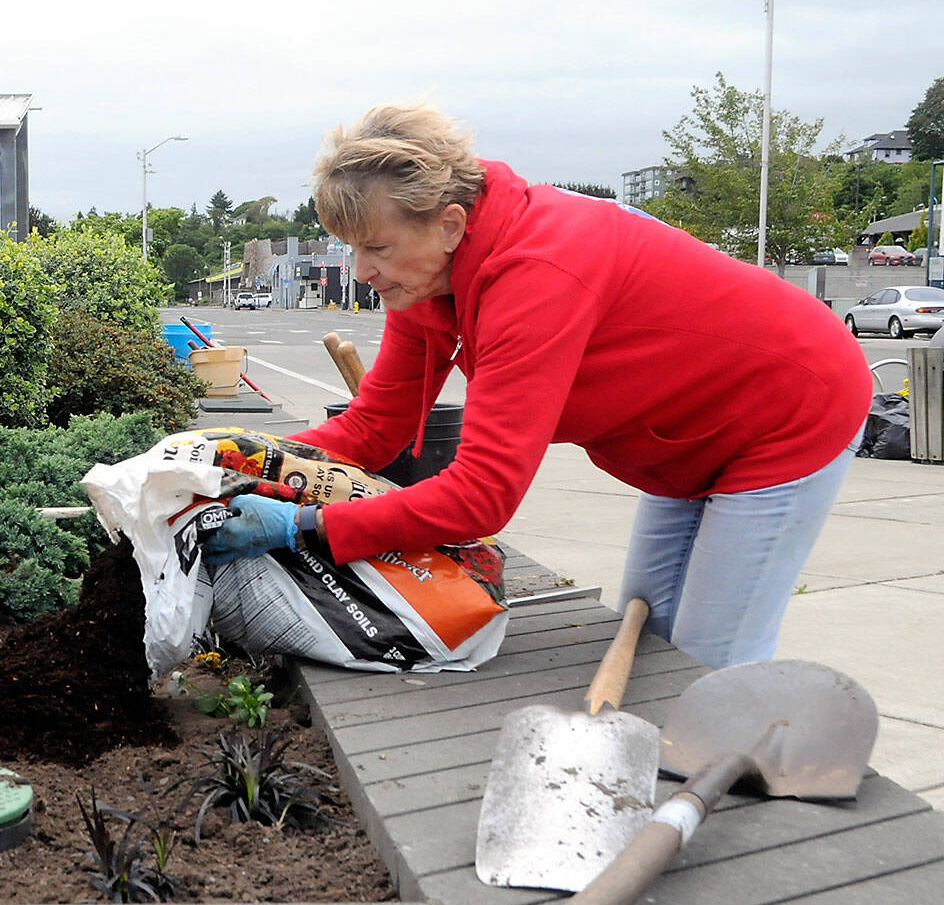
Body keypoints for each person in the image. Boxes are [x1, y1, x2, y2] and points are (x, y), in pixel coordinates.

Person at [203, 102, 869, 668]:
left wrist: (307, 525)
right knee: (647, 636)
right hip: (689, 444)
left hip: (788, 413)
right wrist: (238, 460)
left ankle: (720, 795)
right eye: (351, 248)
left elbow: (482, 497)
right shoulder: (430, 282)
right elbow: (373, 427)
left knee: (705, 661)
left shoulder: (537, 274)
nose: (361, 269)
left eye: (375, 246)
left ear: (450, 223)